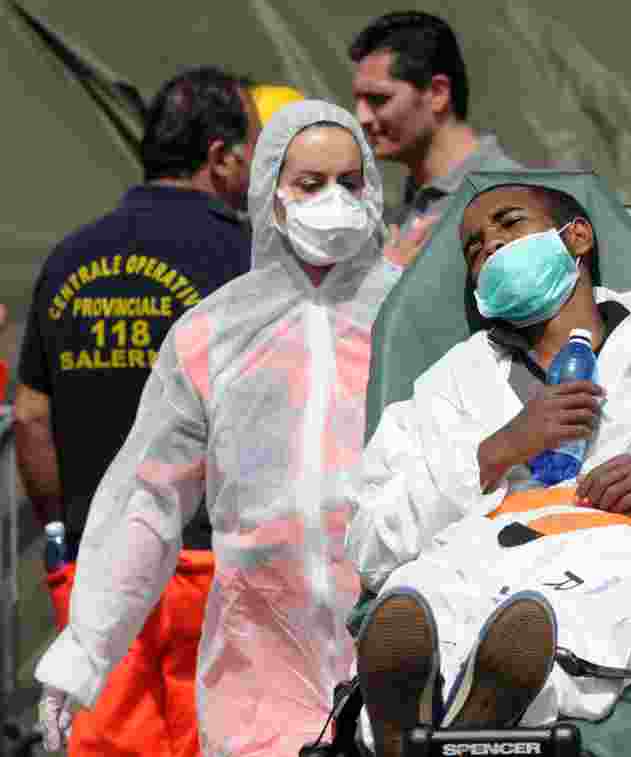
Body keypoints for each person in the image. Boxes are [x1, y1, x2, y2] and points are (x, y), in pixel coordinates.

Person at [339, 180, 631, 757]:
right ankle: (440, 701)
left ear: (578, 238)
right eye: (474, 248)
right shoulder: (449, 385)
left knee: (599, 610)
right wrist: (494, 452)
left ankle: (479, 707)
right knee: (426, 603)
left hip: (630, 556)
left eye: (509, 226)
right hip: (481, 562)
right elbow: (370, 542)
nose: (489, 247)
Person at [33, 100, 417, 757]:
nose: (334, 199)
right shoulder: (214, 332)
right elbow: (147, 501)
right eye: (309, 184)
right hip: (255, 664)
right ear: (272, 197)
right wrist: (83, 651)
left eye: (350, 182)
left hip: (396, 646)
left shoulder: (411, 315)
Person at [15, 65, 259, 757]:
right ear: (219, 156)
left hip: (99, 569)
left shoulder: (69, 258)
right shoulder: (243, 259)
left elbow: (30, 414)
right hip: (212, 566)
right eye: (251, 150)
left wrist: (61, 535)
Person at [349, 11, 521, 249]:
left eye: (378, 98)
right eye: (358, 100)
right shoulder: (408, 208)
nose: (362, 117)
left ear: (438, 93)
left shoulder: (511, 203)